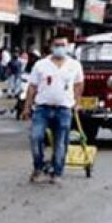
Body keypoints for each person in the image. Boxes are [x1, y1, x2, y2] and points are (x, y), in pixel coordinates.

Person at [21, 35, 84, 184]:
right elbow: (32, 87)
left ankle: (57, 172)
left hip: (64, 109)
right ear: (51, 46)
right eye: (57, 44)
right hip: (42, 108)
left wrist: (77, 102)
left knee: (61, 142)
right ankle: (38, 167)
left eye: (63, 44)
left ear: (68, 46)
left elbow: (79, 84)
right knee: (36, 137)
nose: (60, 47)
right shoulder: (41, 65)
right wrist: (27, 107)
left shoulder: (74, 65)